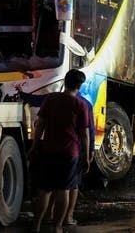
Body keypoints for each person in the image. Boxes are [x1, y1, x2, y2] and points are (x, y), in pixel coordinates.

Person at [17, 83, 95, 227]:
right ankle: (61, 223)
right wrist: (89, 153)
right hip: (71, 152)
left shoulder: (51, 99)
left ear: (65, 83)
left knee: (45, 189)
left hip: (49, 150)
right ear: (80, 85)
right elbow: (87, 132)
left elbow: (40, 123)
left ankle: (38, 223)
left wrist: (34, 146)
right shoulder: (83, 104)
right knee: (66, 189)